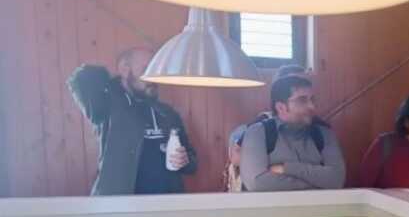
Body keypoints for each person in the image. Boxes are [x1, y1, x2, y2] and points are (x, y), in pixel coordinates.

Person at [68, 47, 197, 195]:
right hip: (120, 205)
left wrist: (185, 160)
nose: (152, 78)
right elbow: (81, 79)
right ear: (125, 69)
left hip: (165, 205)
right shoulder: (107, 106)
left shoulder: (168, 113)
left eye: (155, 71)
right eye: (146, 69)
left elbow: (192, 163)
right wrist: (116, 83)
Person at [225, 65, 327, 192]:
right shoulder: (258, 127)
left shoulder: (320, 130)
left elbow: (332, 176)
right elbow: (237, 158)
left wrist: (285, 168)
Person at [239, 75, 346, 191]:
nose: (312, 106)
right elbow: (257, 183)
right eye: (302, 100)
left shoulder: (324, 133)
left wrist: (287, 168)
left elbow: (337, 180)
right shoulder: (258, 133)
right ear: (281, 107)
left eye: (312, 99)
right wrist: (319, 183)